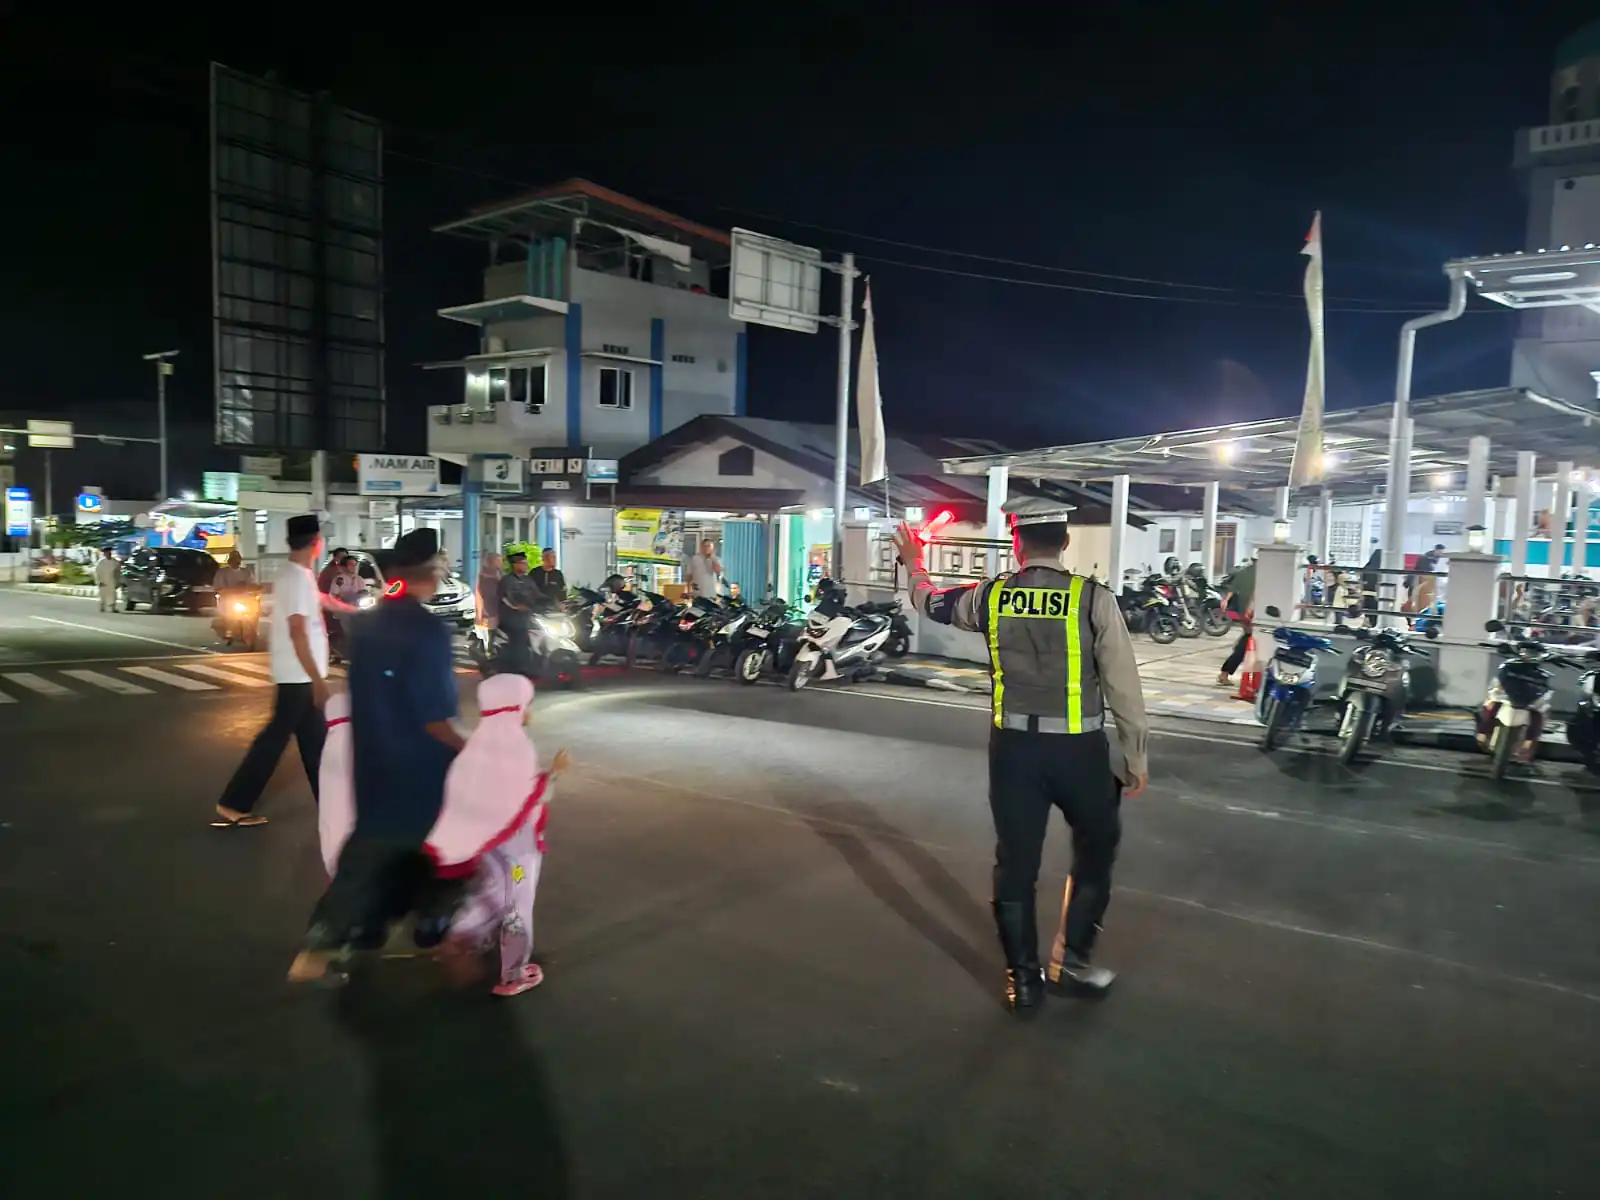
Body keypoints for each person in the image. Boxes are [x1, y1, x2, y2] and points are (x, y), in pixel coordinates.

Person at [892, 496, 1149, 1016]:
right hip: (1081, 754)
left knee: (1016, 864)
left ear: (1017, 543)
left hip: (1014, 754)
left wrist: (914, 563)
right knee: (1096, 853)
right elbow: (1124, 683)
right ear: (1066, 541)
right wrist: (1136, 755)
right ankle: (1072, 960)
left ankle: (1022, 982)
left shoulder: (990, 597)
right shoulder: (1092, 599)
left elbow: (929, 601)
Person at [289, 528, 466, 984]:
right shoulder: (428, 632)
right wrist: (471, 755)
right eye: (442, 562)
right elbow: (435, 720)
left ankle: (343, 940)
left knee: (373, 850)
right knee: (441, 856)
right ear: (429, 570)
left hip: (372, 763)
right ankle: (434, 936)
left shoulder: (366, 625)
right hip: (419, 771)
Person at [429, 674, 571, 996]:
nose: (530, 710)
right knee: (518, 905)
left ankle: (459, 933)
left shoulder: (477, 744)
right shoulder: (518, 746)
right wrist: (556, 773)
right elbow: (533, 795)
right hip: (517, 852)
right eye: (528, 703)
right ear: (516, 706)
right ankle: (514, 974)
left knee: (492, 890)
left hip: (488, 846)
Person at [213, 515, 332, 828]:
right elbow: (297, 631)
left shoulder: (298, 575)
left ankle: (334, 808)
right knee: (275, 740)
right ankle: (234, 802)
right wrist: (317, 680)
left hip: (299, 675)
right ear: (316, 542)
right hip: (299, 676)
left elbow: (312, 608)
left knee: (314, 743)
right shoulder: (296, 577)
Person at [498, 550, 542, 673]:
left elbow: (538, 595)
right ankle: (519, 668)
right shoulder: (507, 580)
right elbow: (506, 598)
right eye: (522, 563)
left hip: (528, 616)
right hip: (512, 618)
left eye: (526, 563)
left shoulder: (529, 580)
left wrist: (553, 602)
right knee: (519, 639)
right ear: (515, 565)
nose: (526, 565)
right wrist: (516, 606)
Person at [1216, 555, 1256, 687]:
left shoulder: (1243, 572)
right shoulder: (1264, 574)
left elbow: (1232, 589)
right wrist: (1249, 609)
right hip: (1254, 614)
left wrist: (1225, 600)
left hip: (1244, 613)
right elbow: (1255, 594)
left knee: (1247, 641)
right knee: (1247, 644)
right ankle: (1225, 672)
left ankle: (1225, 672)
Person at [475, 552, 503, 651]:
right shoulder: (485, 575)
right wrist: (479, 611)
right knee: (487, 632)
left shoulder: (499, 573)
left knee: (492, 632)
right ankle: (485, 652)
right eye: (498, 561)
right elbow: (480, 592)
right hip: (487, 608)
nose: (501, 563)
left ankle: (489, 649)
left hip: (496, 606)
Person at [93, 547, 120, 613]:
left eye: (109, 553)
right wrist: (98, 581)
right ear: (104, 554)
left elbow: (118, 573)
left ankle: (113, 608)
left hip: (112, 581)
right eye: (106, 553)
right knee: (103, 595)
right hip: (103, 581)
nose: (108, 554)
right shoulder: (101, 562)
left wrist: (118, 582)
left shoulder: (115, 562)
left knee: (113, 595)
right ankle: (102, 606)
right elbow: (96, 572)